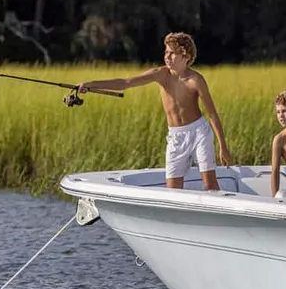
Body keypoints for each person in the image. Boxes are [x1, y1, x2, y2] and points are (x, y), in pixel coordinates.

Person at [77, 32, 232, 190]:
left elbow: (212, 114)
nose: (167, 57)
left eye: (172, 53)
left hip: (199, 133)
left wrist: (223, 147)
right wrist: (90, 84)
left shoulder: (196, 80)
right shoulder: (161, 75)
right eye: (166, 52)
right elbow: (125, 83)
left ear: (185, 55)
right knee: (172, 190)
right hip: (176, 136)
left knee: (210, 184)